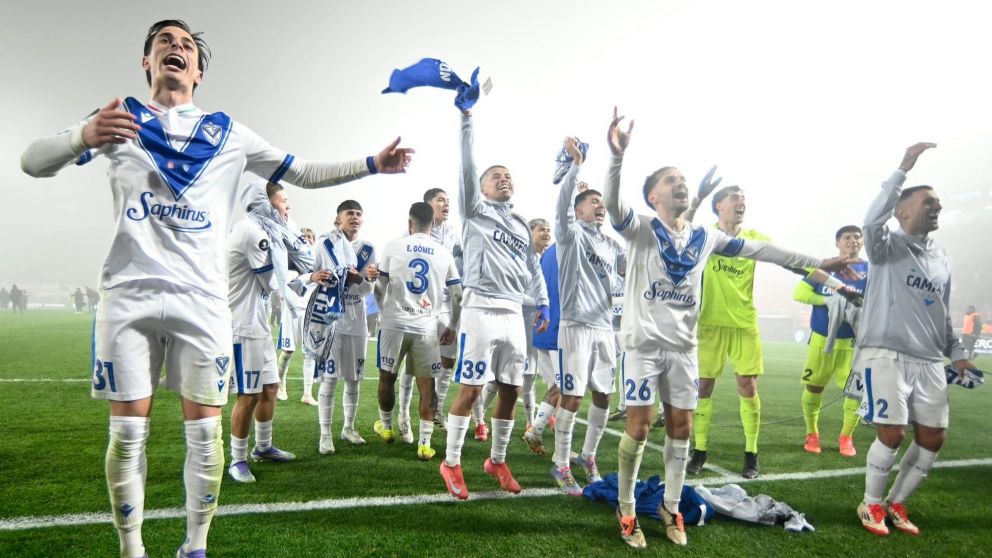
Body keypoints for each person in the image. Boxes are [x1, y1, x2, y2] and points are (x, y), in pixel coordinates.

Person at [19, 19, 412, 558]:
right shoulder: (119, 118)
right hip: (127, 297)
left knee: (205, 436)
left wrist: (371, 164)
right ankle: (131, 549)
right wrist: (80, 137)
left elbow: (302, 171)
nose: (176, 50)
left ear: (198, 72)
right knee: (127, 436)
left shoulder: (228, 132)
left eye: (186, 46)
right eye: (165, 43)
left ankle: (194, 548)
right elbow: (31, 162)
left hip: (202, 302)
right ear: (147, 62)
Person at [602, 107, 851, 549]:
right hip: (642, 348)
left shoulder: (705, 236)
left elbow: (764, 250)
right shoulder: (639, 229)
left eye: (682, 179)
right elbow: (612, 203)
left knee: (680, 427)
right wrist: (617, 157)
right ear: (653, 197)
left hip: (683, 350)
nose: (679, 183)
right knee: (639, 428)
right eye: (669, 181)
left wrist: (820, 263)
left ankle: (671, 507)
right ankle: (625, 511)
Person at [854, 142, 974, 537]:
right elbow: (871, 222)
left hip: (929, 361)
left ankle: (897, 503)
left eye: (939, 203)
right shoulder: (886, 247)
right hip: (885, 354)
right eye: (929, 202)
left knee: (933, 438)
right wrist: (904, 167)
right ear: (902, 211)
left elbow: (942, 313)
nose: (937, 207)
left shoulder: (942, 259)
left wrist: (957, 355)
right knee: (892, 432)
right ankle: (871, 504)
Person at [438, 107, 549, 500]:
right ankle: (451, 462)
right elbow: (466, 169)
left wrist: (544, 303)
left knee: (511, 391)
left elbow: (533, 266)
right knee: (470, 389)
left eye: (508, 177)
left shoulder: (521, 224)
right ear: (481, 187)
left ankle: (497, 459)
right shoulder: (475, 211)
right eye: (495, 177)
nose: (503, 180)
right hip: (480, 309)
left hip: (513, 313)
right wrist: (467, 119)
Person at [547, 137, 624, 494]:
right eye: (593, 202)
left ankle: (588, 456)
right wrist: (575, 166)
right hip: (576, 326)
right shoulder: (570, 234)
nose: (600, 206)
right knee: (573, 396)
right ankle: (560, 463)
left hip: (605, 328)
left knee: (604, 395)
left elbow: (634, 269)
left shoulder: (611, 245)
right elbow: (561, 207)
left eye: (601, 203)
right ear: (578, 211)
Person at [682, 184, 768, 479]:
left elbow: (787, 257)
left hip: (744, 325)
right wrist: (697, 198)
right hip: (708, 324)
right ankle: (700, 451)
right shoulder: (705, 236)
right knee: (703, 388)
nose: (741, 203)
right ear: (719, 205)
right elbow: (680, 230)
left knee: (748, 387)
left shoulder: (755, 239)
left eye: (744, 198)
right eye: (735, 198)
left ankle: (751, 454)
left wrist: (825, 272)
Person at [226, 182, 308, 483]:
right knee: (247, 394)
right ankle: (237, 460)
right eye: (283, 201)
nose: (287, 207)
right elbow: (271, 283)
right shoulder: (253, 233)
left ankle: (263, 447)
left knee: (270, 387)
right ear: (266, 204)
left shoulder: (263, 231)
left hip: (257, 323)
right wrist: (300, 267)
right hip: (242, 324)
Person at [374, 202, 462, 460]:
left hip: (394, 324)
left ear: (409, 223)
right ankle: (424, 444)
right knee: (427, 386)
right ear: (432, 224)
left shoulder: (393, 245)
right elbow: (458, 296)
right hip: (426, 326)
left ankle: (388, 428)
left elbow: (380, 288)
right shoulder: (443, 252)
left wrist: (383, 312)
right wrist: (453, 326)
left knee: (386, 378)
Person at [473, 217, 554, 441]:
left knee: (528, 378)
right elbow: (513, 294)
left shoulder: (547, 259)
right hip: (512, 322)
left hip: (535, 329)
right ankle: (479, 418)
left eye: (549, 230)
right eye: (541, 229)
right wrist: (538, 303)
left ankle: (530, 423)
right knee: (494, 378)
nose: (546, 233)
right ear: (529, 233)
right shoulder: (518, 256)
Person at [794, 225, 869, 457]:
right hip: (821, 340)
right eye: (847, 237)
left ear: (862, 242)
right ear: (837, 243)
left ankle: (846, 437)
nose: (853, 241)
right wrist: (826, 301)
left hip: (853, 344)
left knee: (855, 392)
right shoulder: (824, 268)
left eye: (857, 237)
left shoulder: (872, 271)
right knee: (814, 387)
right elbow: (799, 293)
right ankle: (811, 433)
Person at [317, 200, 378, 451]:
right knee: (330, 378)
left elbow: (365, 290)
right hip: (331, 320)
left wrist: (364, 280)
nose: (354, 217)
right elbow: (311, 276)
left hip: (356, 321)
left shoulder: (368, 249)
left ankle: (348, 428)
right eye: (349, 213)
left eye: (358, 214)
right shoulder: (324, 243)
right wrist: (316, 277)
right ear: (337, 219)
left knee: (354, 380)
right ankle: (325, 434)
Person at [421, 188, 464, 431]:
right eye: (441, 200)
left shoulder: (453, 235)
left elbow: (462, 261)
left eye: (448, 201)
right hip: (421, 306)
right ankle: (405, 417)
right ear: (428, 205)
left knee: (448, 360)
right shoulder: (415, 231)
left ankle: (437, 411)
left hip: (447, 305)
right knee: (417, 361)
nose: (446, 204)